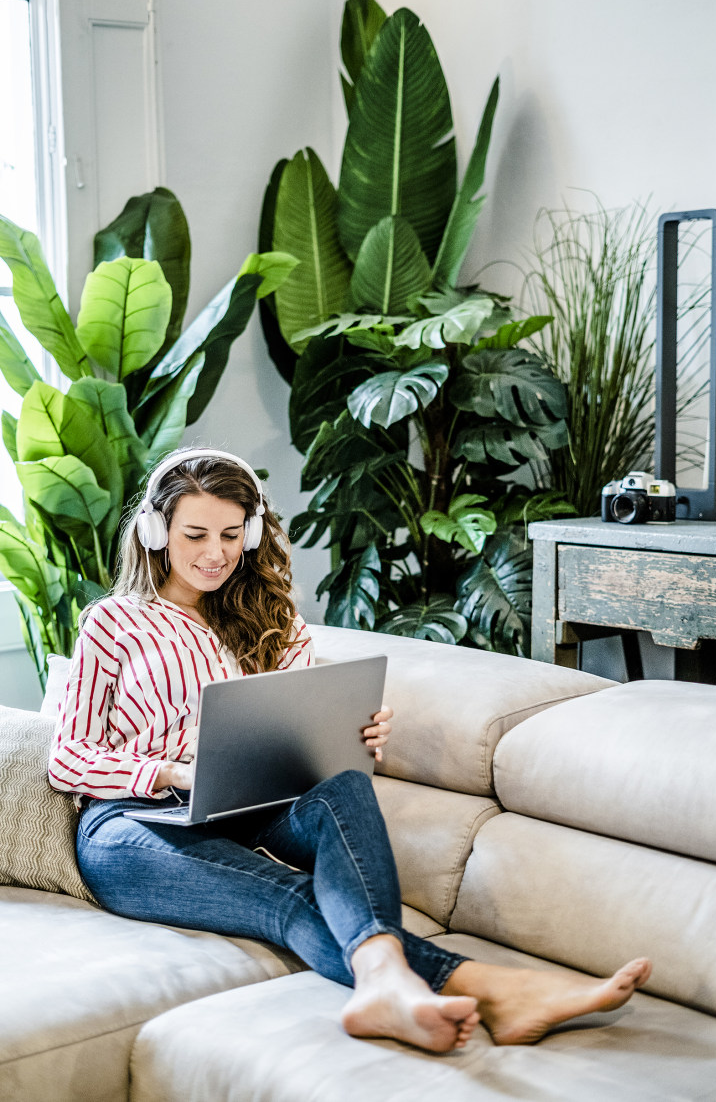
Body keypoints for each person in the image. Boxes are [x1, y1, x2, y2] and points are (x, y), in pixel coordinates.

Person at [49, 448, 652, 1054]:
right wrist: (173, 771)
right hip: (134, 824)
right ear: (157, 533)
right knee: (293, 898)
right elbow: (68, 754)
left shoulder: (275, 622)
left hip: (246, 808)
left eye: (232, 534)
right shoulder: (114, 622)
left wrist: (349, 738)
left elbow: (297, 742)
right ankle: (485, 990)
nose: (215, 553)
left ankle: (396, 990)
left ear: (252, 533)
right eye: (195, 535)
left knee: (343, 785)